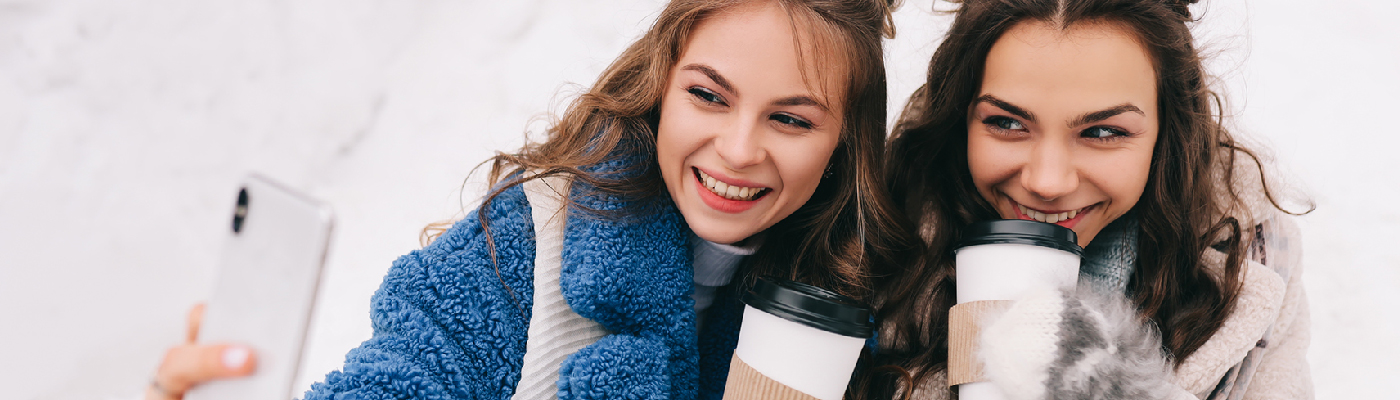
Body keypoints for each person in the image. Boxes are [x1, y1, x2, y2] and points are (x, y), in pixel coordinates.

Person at [147, 0, 913, 399]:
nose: (740, 149)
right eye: (709, 96)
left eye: (790, 119)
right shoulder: (526, 242)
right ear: (661, 87)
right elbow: (407, 378)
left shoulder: (859, 305)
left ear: (843, 142)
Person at [853, 0, 1312, 399]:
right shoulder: (869, 232)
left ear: (1166, 133)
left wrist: (1102, 381)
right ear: (961, 118)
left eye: (1103, 132)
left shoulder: (1253, 259)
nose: (1048, 183)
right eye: (1007, 123)